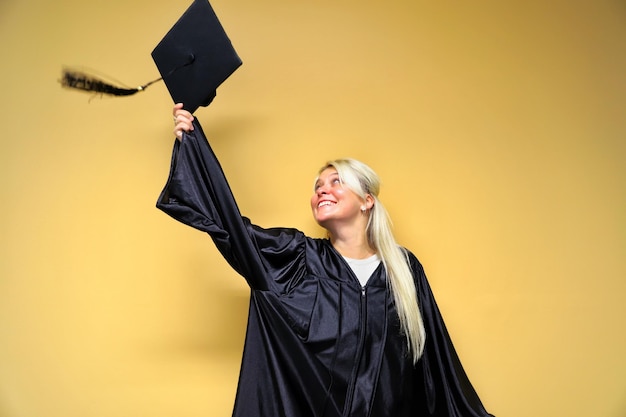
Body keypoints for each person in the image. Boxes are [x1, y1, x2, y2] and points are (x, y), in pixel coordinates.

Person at [158, 103, 494, 417]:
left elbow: (437, 364)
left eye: (336, 182)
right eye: (317, 185)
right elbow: (229, 225)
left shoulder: (404, 272)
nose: (322, 190)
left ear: (367, 201)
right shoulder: (296, 260)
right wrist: (193, 144)